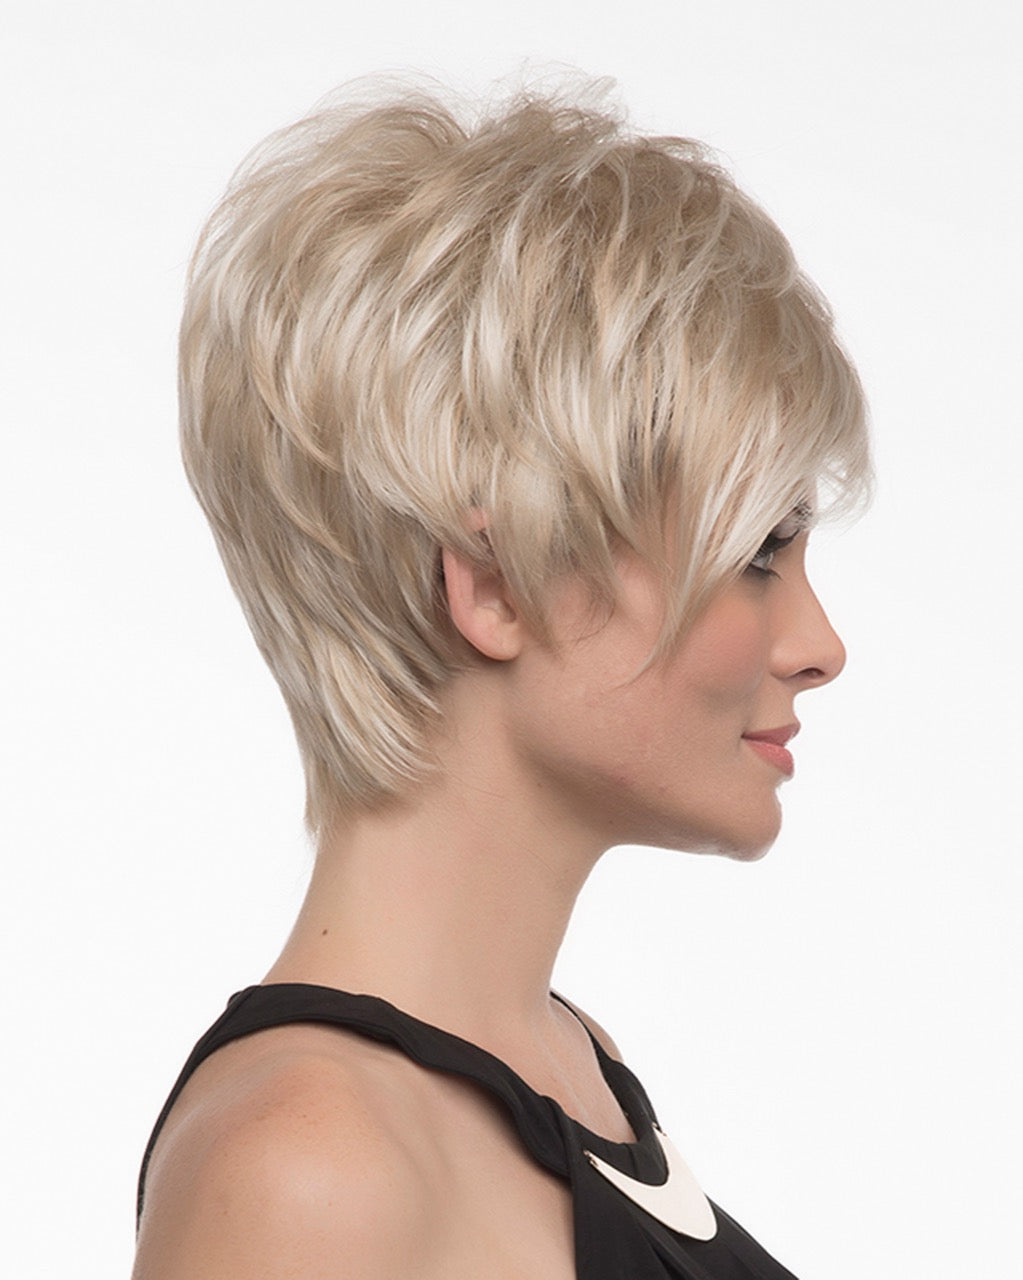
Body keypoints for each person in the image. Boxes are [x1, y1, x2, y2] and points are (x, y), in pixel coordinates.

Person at [132, 79, 870, 1280]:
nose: (820, 642)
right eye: (757, 551)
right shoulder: (313, 1167)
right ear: (502, 583)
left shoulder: (575, 1070)